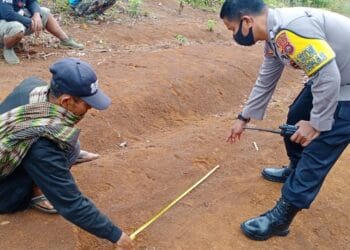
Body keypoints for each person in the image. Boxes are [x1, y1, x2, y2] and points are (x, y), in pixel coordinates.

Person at [220, 0, 350, 241]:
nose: (234, 36)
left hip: (343, 85)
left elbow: (329, 76)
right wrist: (243, 117)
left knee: (320, 145)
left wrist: (316, 124)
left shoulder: (291, 30)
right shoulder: (274, 36)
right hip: (332, 77)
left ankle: (281, 218)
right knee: (295, 117)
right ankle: (295, 168)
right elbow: (267, 78)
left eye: (231, 29)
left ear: (246, 21)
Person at [0, 57, 134, 249]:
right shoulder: (42, 146)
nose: (90, 109)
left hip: (7, 146)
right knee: (57, 151)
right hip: (4, 191)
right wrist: (116, 236)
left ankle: (65, 157)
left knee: (70, 143)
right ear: (66, 101)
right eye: (87, 104)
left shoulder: (34, 86)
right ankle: (37, 193)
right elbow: (71, 203)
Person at [0, 0, 84, 65]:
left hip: (13, 17)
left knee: (44, 12)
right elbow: (7, 14)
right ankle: (8, 47)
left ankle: (65, 40)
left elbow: (32, 2)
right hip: (3, 19)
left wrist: (37, 14)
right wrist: (29, 22)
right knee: (17, 28)